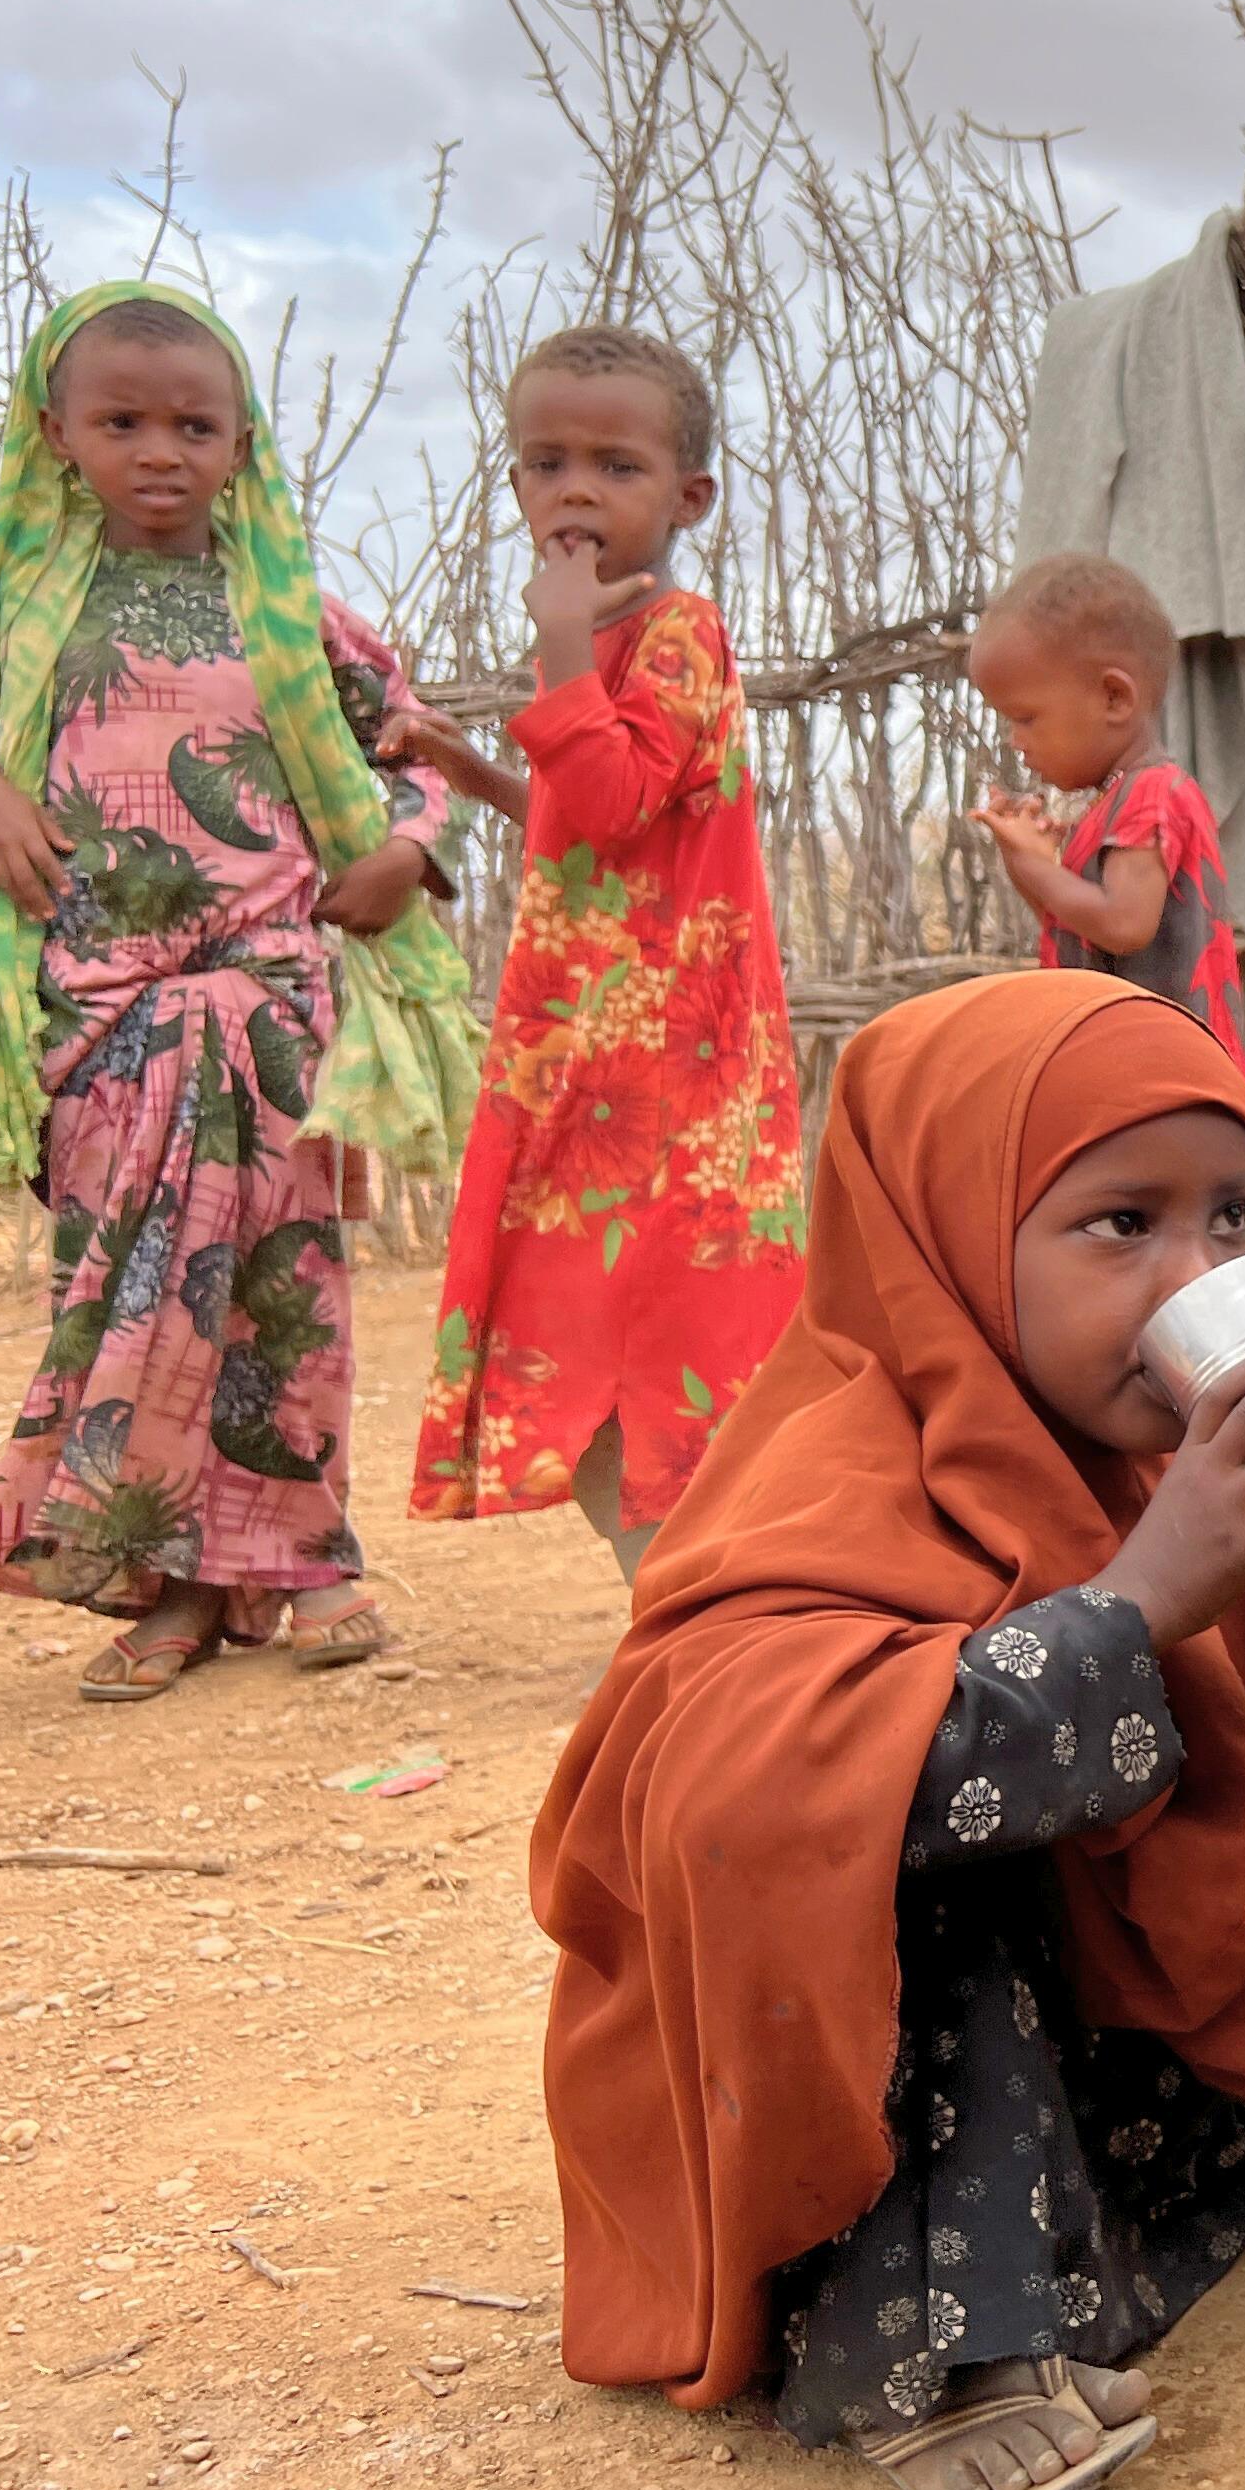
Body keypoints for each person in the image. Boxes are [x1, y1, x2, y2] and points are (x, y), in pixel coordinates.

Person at [531, 970, 1245, 2490]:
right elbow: (746, 1808)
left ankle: (1164, 2176)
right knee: (897, 1816)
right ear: (937, 1241)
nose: (1194, 1272)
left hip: (1075, 2076)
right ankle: (938, 2348)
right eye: (1119, 1224)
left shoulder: (1183, 1476)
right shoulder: (833, 1477)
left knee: (1208, 1736)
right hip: (839, 2100)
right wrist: (1145, 1604)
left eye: (1231, 1216)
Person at [0, 281, 480, 1700]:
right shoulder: (15, 611)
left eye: (195, 425)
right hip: (101, 1016)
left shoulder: (298, 610)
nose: (160, 450)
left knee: (286, 1287)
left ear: (243, 445)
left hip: (273, 1001)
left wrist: (407, 852)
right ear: (58, 434)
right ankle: (159, 1577)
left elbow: (414, 752)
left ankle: (310, 1567)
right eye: (122, 422)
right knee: (139, 1293)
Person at [389, 325, 805, 1584]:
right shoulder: (618, 641)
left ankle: (690, 1610)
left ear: (687, 500)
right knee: (579, 1329)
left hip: (665, 1077)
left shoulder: (676, 631)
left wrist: (561, 640)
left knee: (642, 1337)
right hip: (586, 1060)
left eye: (616, 467)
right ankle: (687, 1603)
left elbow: (616, 798)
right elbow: (606, 833)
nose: (574, 490)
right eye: (545, 461)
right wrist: (471, 771)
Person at [960, 553, 1245, 1073]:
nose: (1016, 742)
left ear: (1114, 697)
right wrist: (1031, 863)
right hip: (1138, 1077)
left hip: (1172, 1085)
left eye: (1027, 719)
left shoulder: (1154, 794)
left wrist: (1040, 871)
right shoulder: (1116, 806)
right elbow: (1083, 933)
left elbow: (1122, 923)